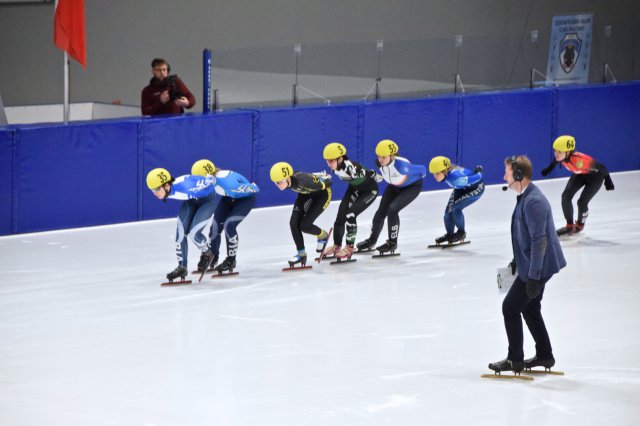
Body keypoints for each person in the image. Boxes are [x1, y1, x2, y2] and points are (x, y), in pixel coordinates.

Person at [488, 155, 566, 374]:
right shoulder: (526, 197)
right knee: (530, 308)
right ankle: (545, 355)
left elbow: (539, 241)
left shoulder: (534, 202)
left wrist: (533, 277)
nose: (504, 176)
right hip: (533, 264)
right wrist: (517, 260)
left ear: (519, 175)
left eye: (507, 172)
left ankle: (515, 359)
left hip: (539, 266)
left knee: (510, 308)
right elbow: (526, 236)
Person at [146, 167, 217, 281]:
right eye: (152, 190)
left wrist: (210, 178)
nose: (155, 193)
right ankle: (182, 267)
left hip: (207, 201)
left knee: (194, 234)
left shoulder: (185, 186)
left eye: (156, 189)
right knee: (180, 232)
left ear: (167, 186)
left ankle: (208, 254)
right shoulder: (170, 189)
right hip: (192, 200)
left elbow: (210, 181)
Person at [356, 139, 426, 254]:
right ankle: (372, 240)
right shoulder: (378, 162)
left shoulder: (402, 166)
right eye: (379, 156)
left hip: (412, 187)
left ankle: (392, 243)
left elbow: (423, 170)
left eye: (384, 157)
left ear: (392, 156)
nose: (381, 160)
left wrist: (412, 178)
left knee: (392, 210)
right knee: (380, 212)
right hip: (394, 186)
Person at [191, 159, 259, 273]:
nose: (199, 183)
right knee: (215, 227)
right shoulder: (211, 180)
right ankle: (212, 256)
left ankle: (231, 260)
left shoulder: (227, 183)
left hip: (245, 198)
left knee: (229, 225)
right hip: (228, 197)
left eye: (200, 180)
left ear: (208, 176)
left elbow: (254, 189)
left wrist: (252, 187)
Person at [541, 135, 615, 236]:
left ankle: (580, 225)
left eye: (559, 152)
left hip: (595, 178)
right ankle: (570, 226)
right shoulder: (562, 156)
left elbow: (601, 167)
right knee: (566, 196)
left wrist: (608, 181)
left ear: (567, 153)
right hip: (581, 174)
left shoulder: (579, 161)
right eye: (555, 150)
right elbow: (556, 161)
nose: (556, 154)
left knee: (582, 202)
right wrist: (548, 169)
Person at [321, 142, 379, 260]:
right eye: (327, 161)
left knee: (351, 214)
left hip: (369, 190)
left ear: (340, 158)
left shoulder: (350, 168)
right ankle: (337, 246)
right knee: (341, 215)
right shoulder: (336, 166)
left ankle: (349, 248)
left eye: (331, 161)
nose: (329, 164)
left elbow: (369, 173)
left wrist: (375, 175)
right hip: (355, 188)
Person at [270, 161, 332, 267]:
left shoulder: (303, 181)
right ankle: (301, 254)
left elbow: (328, 183)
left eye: (279, 182)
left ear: (287, 178)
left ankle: (323, 236)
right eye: (275, 182)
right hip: (305, 194)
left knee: (305, 226)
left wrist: (324, 178)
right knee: (293, 223)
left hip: (322, 195)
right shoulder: (289, 179)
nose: (277, 185)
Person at [428, 156, 484, 245]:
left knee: (455, 209)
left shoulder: (456, 178)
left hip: (475, 188)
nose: (435, 176)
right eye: (433, 174)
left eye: (437, 174)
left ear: (445, 171)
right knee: (448, 212)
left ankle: (461, 233)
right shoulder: (449, 174)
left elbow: (478, 177)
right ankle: (450, 235)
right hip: (461, 188)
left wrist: (479, 172)